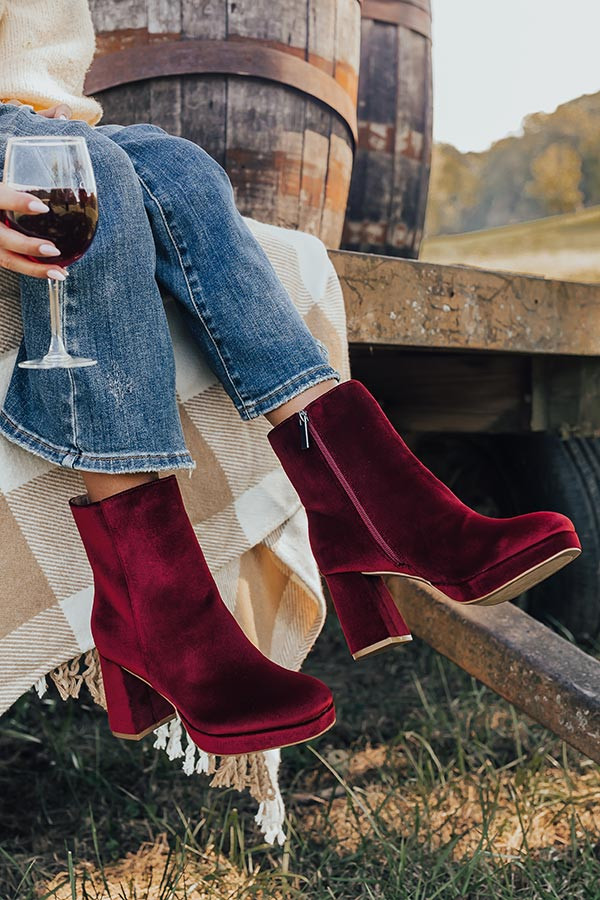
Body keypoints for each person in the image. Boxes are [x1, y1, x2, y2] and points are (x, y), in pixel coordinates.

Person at [0, 1, 582, 755]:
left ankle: (375, 505)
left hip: (46, 118)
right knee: (101, 177)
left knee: (183, 168)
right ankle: (153, 613)